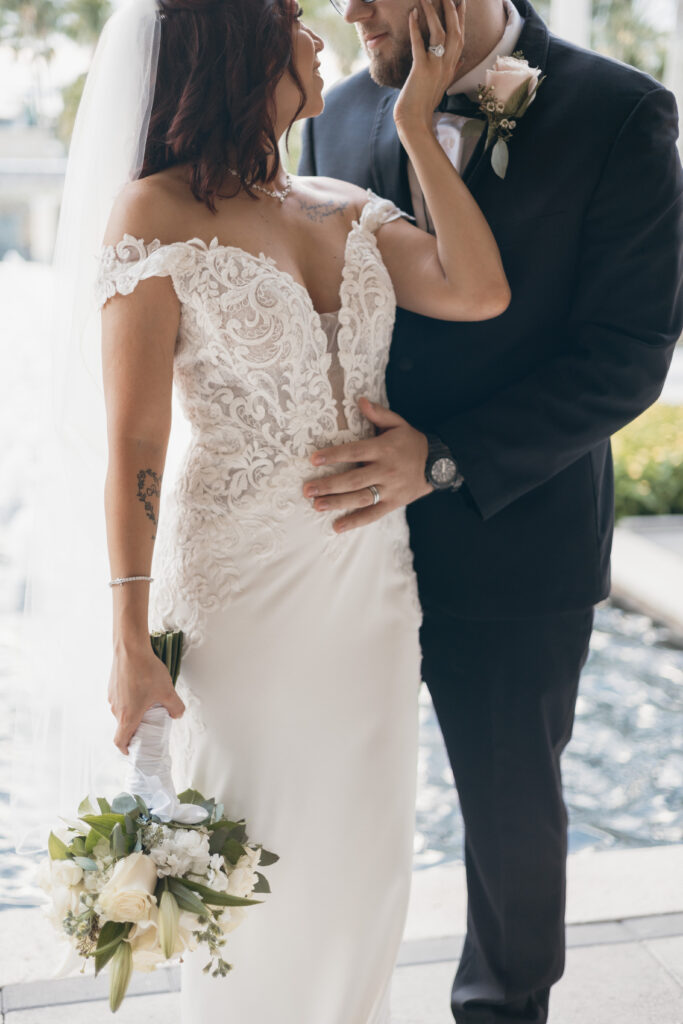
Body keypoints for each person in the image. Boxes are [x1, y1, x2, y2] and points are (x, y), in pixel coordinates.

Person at [95, 0, 508, 1020]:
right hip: (239, 594)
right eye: (290, 21)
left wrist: (415, 127)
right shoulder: (154, 212)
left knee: (361, 862)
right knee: (254, 871)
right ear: (233, 47)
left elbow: (477, 287)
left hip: (366, 590)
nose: (318, 36)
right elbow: (136, 442)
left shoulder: (349, 206)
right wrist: (129, 639)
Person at [298, 0, 683, 1021]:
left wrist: (443, 459)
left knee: (510, 816)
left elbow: (626, 355)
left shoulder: (619, 111)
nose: (351, 11)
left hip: (517, 538)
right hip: (341, 545)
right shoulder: (332, 115)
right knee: (325, 796)